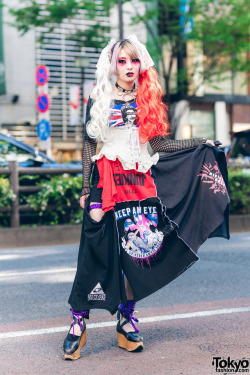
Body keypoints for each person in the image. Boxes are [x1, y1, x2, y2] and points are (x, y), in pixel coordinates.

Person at [63, 35, 229, 360]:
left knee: (135, 255)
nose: (128, 67)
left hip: (140, 184)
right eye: (122, 61)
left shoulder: (146, 97)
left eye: (133, 60)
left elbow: (159, 146)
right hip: (106, 183)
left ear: (142, 63)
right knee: (94, 252)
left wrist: (200, 143)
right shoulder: (99, 96)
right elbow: (87, 145)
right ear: (112, 64)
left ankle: (126, 320)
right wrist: (86, 188)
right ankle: (78, 321)